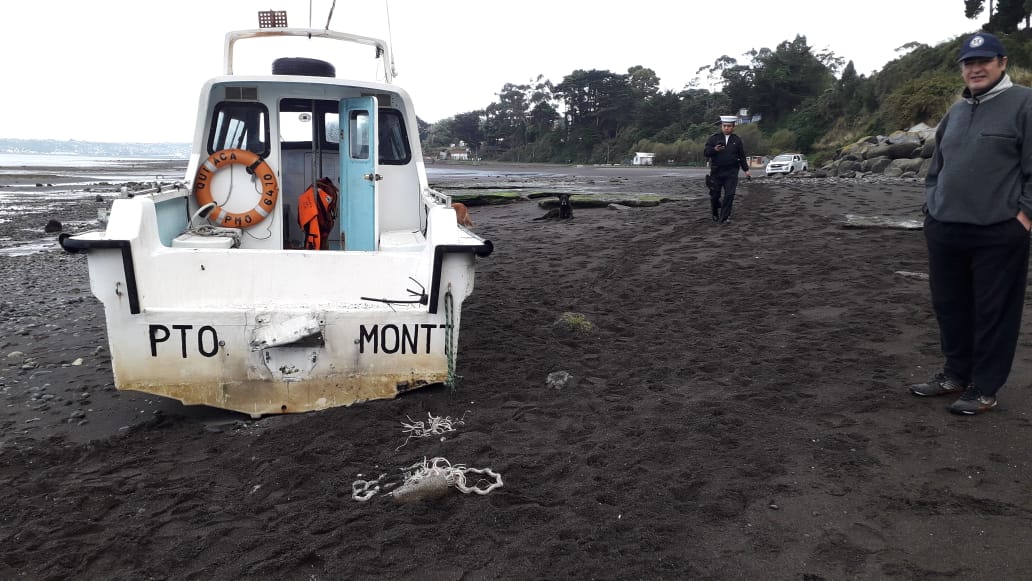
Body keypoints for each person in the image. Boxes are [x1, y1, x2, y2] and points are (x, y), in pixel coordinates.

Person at [909, 31, 1032, 415]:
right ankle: (955, 374)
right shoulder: (957, 110)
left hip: (999, 230)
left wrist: (1024, 216)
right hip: (946, 227)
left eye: (984, 61)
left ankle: (984, 386)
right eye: (969, 63)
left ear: (1002, 63)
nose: (975, 68)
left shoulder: (1024, 103)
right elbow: (937, 168)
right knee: (950, 306)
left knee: (993, 311)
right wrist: (932, 205)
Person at [703, 115, 751, 224]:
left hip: (731, 172)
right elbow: (706, 152)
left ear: (733, 127)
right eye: (724, 126)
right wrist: (714, 149)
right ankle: (715, 212)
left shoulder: (737, 140)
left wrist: (746, 170)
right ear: (721, 126)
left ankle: (724, 217)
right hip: (716, 172)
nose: (726, 128)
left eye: (729, 126)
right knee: (714, 196)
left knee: (729, 195)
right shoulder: (714, 138)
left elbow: (741, 156)